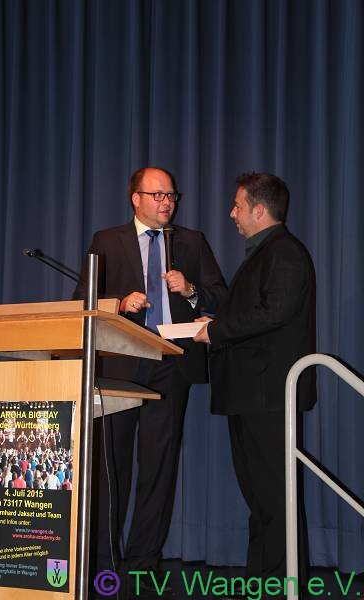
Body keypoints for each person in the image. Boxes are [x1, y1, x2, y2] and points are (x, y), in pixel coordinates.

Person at [74, 166, 225, 588]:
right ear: (135, 199)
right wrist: (119, 304)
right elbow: (81, 298)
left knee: (159, 468)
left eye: (171, 195)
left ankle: (143, 565)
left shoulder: (192, 241)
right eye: (157, 195)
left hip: (171, 364)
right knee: (112, 467)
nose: (166, 202)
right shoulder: (107, 241)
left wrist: (190, 290)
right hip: (120, 364)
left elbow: (220, 295)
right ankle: (104, 561)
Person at [194, 172, 316, 594]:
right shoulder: (269, 252)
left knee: (274, 497)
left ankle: (282, 581)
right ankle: (264, 578)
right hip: (254, 392)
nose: (232, 213)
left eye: (237, 205)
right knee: (261, 497)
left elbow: (274, 312)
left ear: (259, 210)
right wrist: (217, 322)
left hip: (269, 394)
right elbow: (258, 313)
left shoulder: (283, 252)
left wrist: (217, 331)